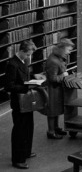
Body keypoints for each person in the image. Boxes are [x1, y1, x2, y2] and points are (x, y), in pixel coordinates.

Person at [5, 39, 37, 170]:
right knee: (19, 130)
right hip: (18, 102)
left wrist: (35, 76)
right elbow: (9, 86)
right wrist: (26, 87)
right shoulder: (12, 64)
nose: (29, 57)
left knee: (29, 126)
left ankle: (26, 152)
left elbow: (23, 77)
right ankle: (18, 159)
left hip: (26, 100)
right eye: (28, 54)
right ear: (22, 51)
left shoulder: (22, 61)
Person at [45, 37, 74, 139]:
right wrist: (63, 76)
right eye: (68, 50)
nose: (69, 52)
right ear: (62, 49)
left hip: (57, 88)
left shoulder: (58, 57)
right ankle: (51, 131)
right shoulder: (53, 61)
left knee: (56, 109)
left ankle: (56, 128)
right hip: (53, 89)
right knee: (52, 111)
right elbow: (52, 78)